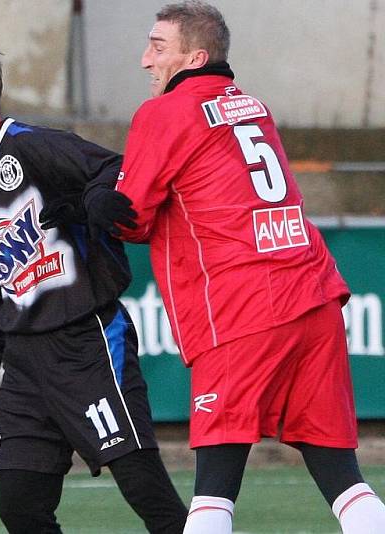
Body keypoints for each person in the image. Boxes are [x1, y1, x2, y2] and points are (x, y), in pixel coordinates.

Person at [72, 2, 385, 533]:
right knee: (342, 477)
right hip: (314, 294)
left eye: (158, 46)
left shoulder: (165, 112)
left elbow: (132, 218)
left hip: (241, 307)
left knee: (214, 486)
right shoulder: (252, 106)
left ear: (196, 57)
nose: (145, 59)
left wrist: (96, 198)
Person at [0, 26, 187, 534]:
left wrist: (91, 202)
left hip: (87, 342)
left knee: (146, 490)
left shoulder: (32, 146)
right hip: (24, 363)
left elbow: (115, 171)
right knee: (19, 507)